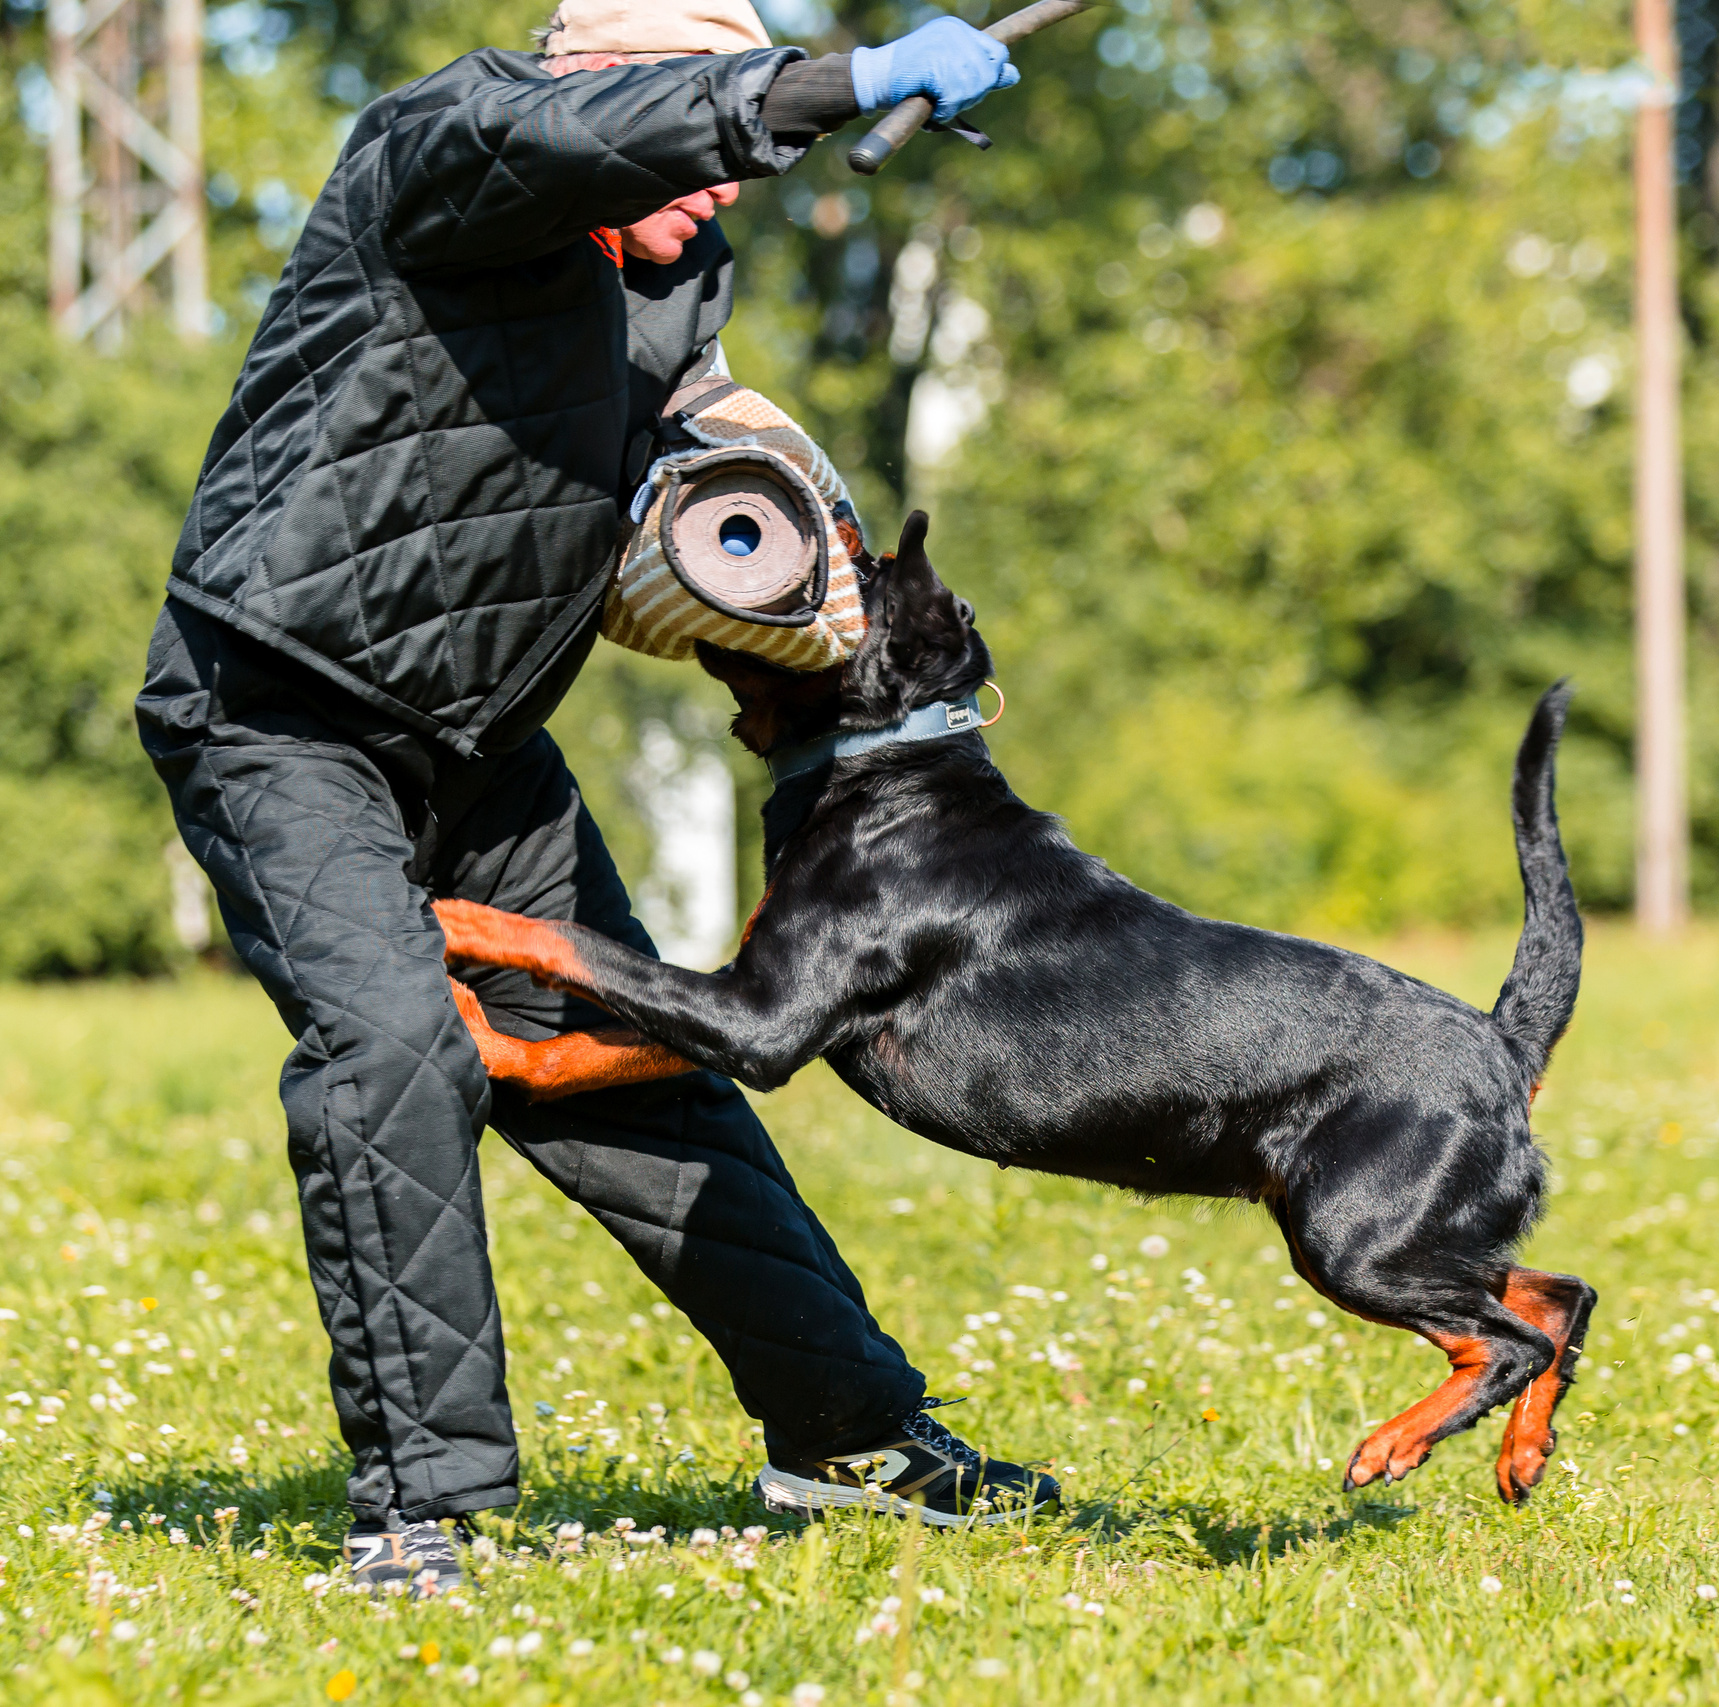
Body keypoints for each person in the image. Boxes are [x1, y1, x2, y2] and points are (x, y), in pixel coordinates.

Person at [137, 0, 1045, 1594]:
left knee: (649, 1064)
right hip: (273, 710)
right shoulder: (448, 147)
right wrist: (838, 83)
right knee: (393, 1051)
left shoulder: (679, 267)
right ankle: (424, 1510)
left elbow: (680, 437)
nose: (722, 193)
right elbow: (590, 137)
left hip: (479, 744)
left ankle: (851, 1440)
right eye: (697, 132)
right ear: (604, 82)